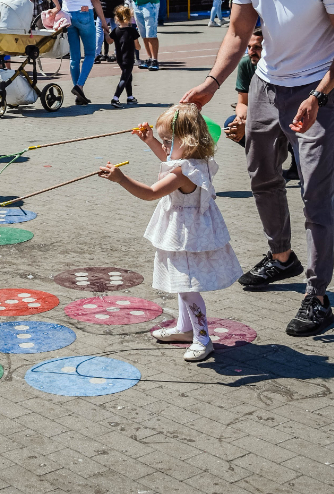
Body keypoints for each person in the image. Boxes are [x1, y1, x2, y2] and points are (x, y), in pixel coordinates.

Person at [180, 0, 334, 337]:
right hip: (267, 82)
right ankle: (281, 258)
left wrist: (322, 91)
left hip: (316, 88)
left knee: (316, 193)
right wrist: (212, 82)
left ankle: (318, 297)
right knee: (262, 176)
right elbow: (239, 31)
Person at [98, 104, 242, 362]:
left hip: (186, 234)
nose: (164, 146)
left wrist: (121, 178)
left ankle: (202, 338)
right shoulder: (196, 161)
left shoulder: (182, 172)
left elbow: (150, 193)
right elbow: (170, 159)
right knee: (181, 284)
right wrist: (151, 140)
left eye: (167, 140)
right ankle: (185, 329)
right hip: (189, 231)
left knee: (187, 286)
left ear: (186, 141)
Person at [46, 0, 108, 106]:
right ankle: (79, 86)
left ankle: (78, 92)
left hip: (67, 15)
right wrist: (103, 21)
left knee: (74, 57)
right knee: (89, 53)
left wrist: (57, 5)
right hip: (84, 13)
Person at [222, 29, 264, 148]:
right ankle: (262, 158)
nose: (251, 52)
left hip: (282, 117)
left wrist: (249, 123)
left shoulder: (279, 67)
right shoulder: (246, 64)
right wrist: (240, 119)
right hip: (258, 116)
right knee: (231, 124)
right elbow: (242, 102)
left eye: (257, 47)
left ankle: (295, 160)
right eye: (249, 47)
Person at [108, 5, 139, 108]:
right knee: (124, 78)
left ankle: (130, 97)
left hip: (120, 58)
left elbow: (109, 41)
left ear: (117, 18)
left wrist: (105, 31)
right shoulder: (132, 31)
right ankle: (115, 98)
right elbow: (137, 46)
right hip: (129, 58)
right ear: (129, 17)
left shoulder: (116, 31)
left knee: (128, 76)